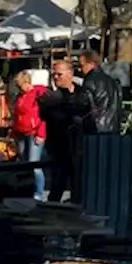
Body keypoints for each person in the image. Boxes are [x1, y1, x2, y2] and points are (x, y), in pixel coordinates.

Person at [38, 60, 89, 203]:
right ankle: (51, 212)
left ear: (70, 74)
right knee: (57, 183)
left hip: (78, 146)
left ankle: (77, 207)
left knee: (78, 183)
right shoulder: (50, 95)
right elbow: (49, 115)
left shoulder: (82, 92)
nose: (56, 77)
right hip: (58, 146)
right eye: (53, 74)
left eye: (59, 74)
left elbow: (87, 113)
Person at [10, 70, 49, 200]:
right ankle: (26, 189)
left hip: (34, 132)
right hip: (21, 132)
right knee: (24, 163)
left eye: (21, 85)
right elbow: (16, 115)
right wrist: (14, 132)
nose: (21, 88)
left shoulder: (38, 94)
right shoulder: (20, 96)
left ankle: (38, 193)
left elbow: (43, 116)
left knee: (34, 164)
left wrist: (41, 134)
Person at [77, 50, 122, 135]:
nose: (79, 69)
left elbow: (83, 104)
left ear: (91, 64)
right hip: (114, 127)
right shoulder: (112, 81)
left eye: (81, 65)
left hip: (95, 129)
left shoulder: (90, 80)